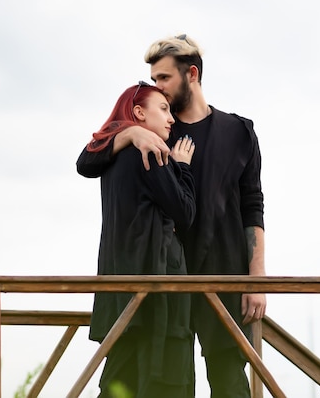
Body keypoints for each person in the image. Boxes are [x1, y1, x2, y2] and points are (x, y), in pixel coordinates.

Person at [77, 34, 266, 398]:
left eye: (164, 77)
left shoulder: (239, 132)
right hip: (163, 279)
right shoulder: (156, 127)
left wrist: (256, 279)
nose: (155, 85)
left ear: (191, 74)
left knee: (230, 383)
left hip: (222, 274)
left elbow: (252, 206)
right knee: (161, 384)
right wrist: (130, 132)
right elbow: (88, 161)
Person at [80, 82, 197, 398]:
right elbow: (185, 213)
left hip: (121, 285)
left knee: (121, 378)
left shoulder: (113, 158)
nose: (171, 119)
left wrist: (125, 135)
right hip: (157, 285)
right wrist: (183, 168)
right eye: (163, 109)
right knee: (162, 377)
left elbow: (85, 160)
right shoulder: (153, 152)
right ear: (138, 112)